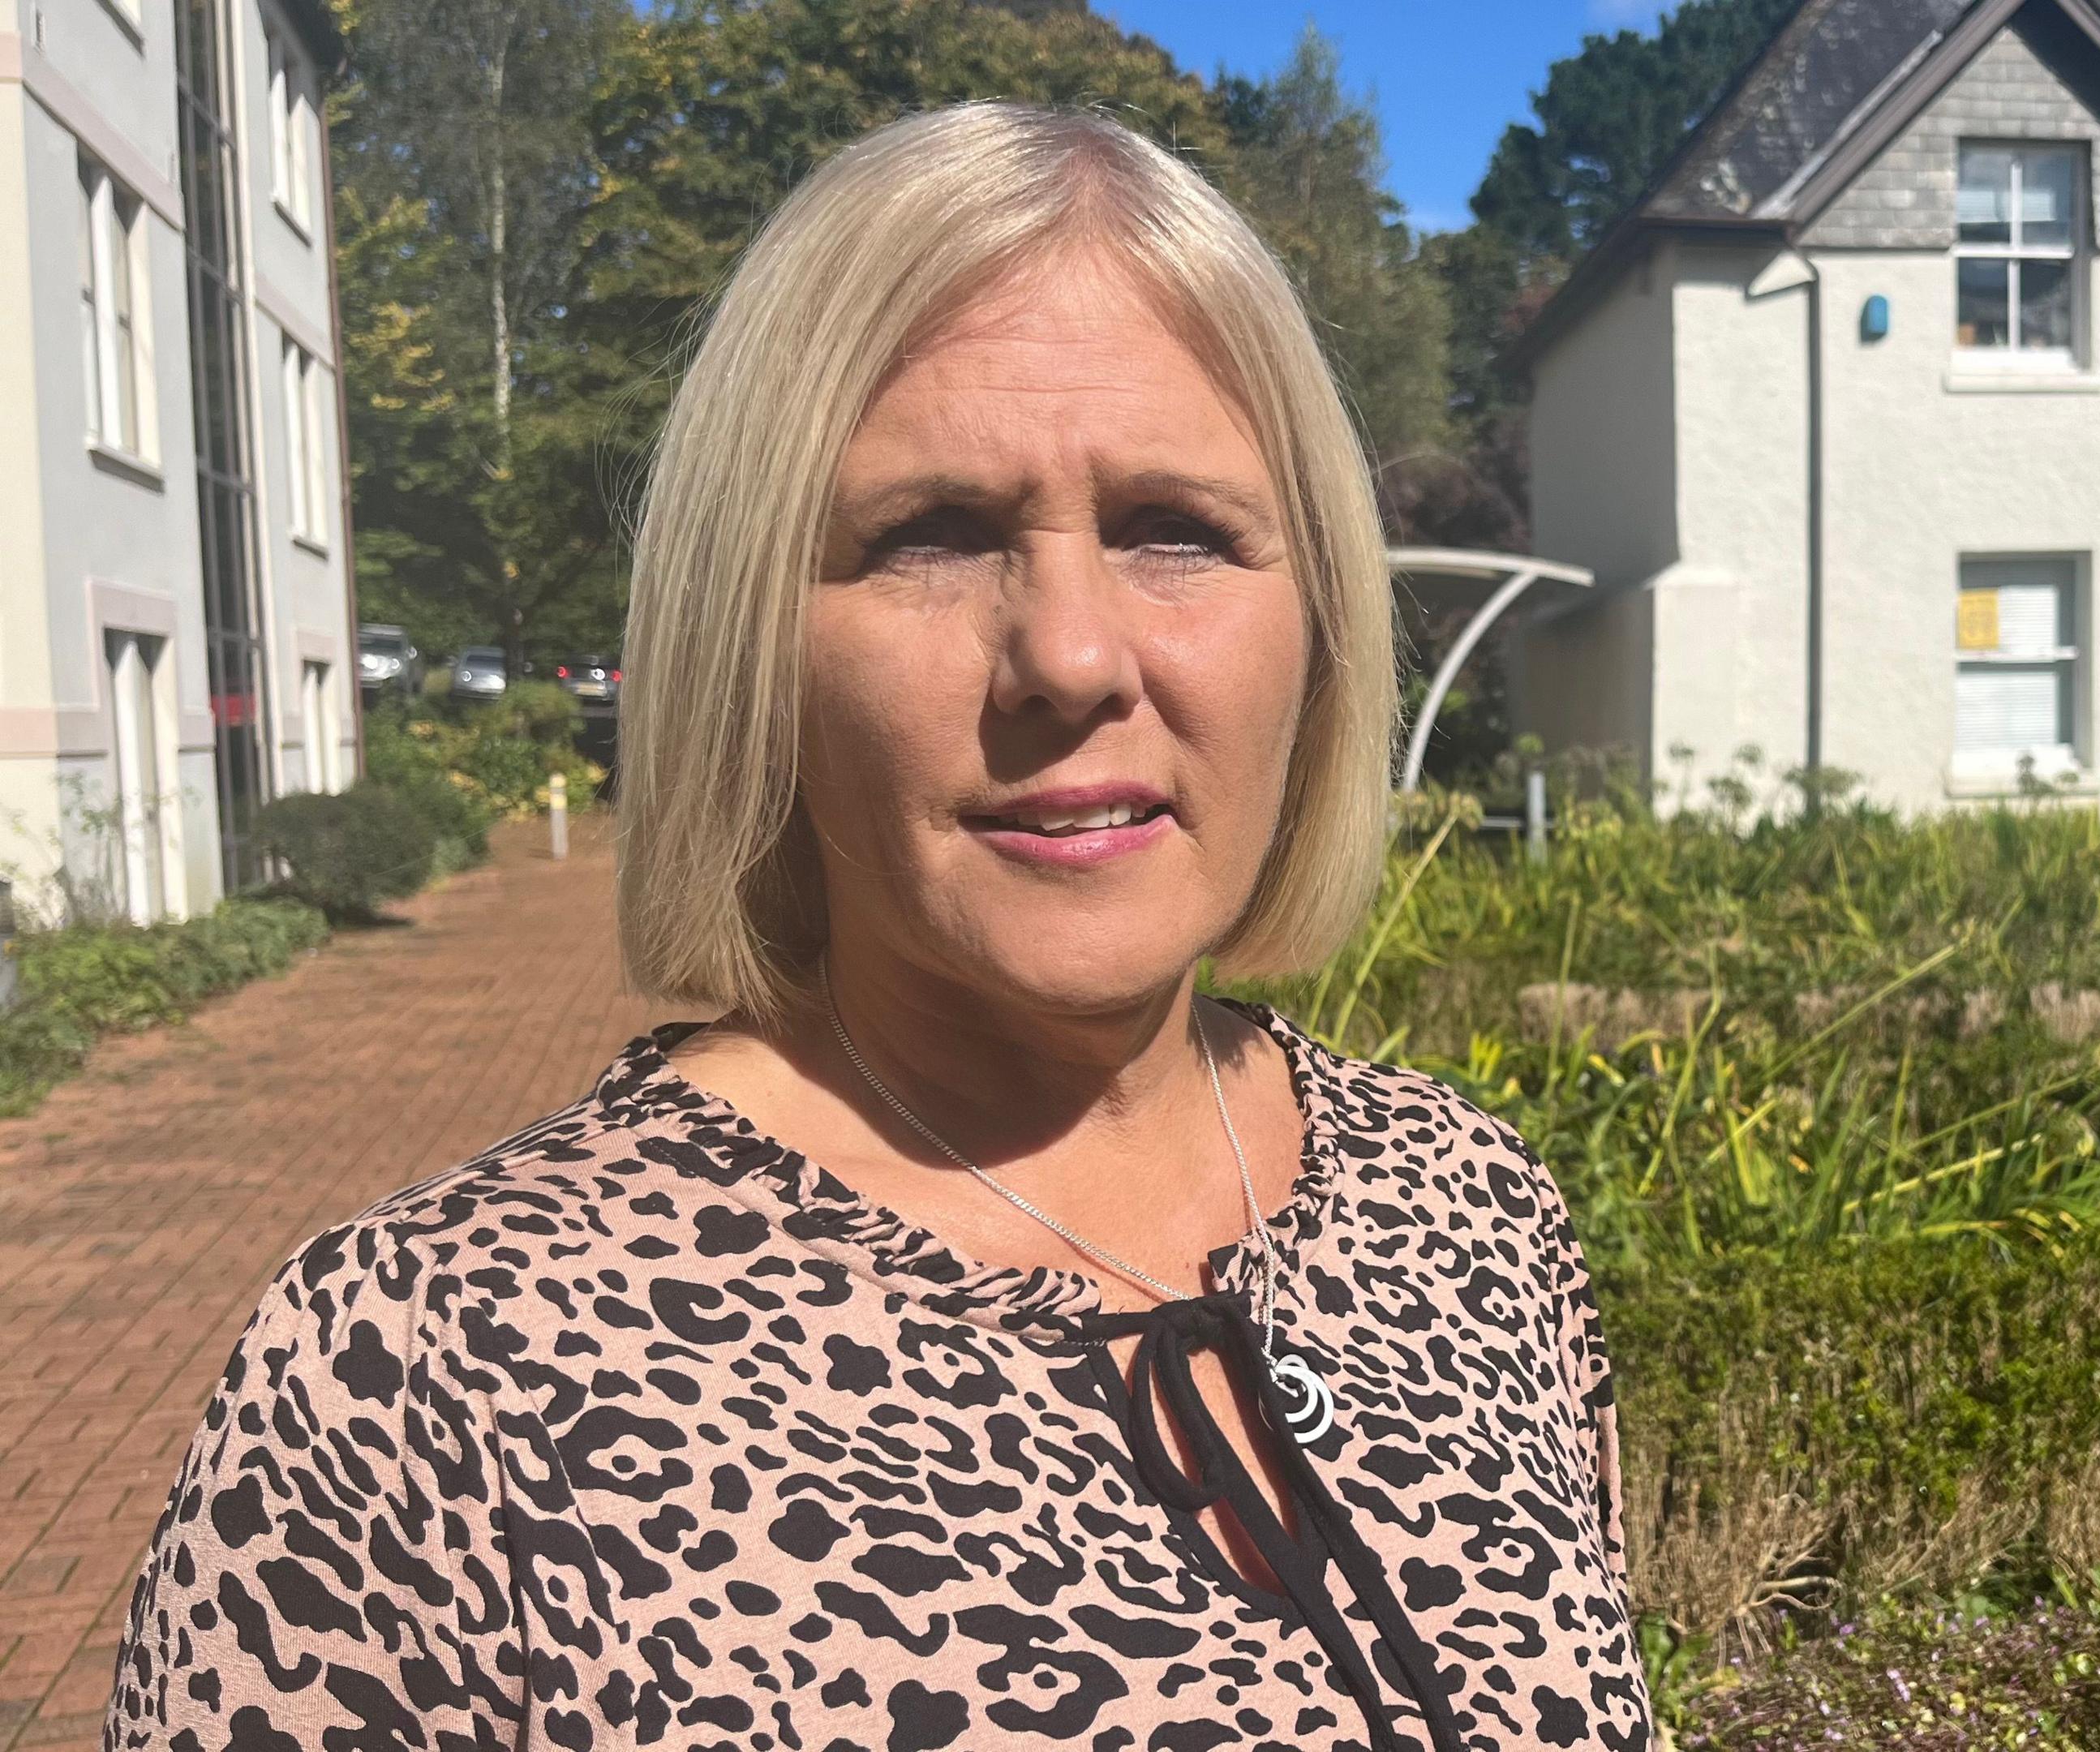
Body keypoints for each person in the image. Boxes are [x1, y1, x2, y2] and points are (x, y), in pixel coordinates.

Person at [102, 103, 1648, 1752]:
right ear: (750, 636)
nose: (1069, 655)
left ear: (1321, 621)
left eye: (1174, 530)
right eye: (932, 538)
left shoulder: (1471, 1210)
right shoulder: (429, 1373)